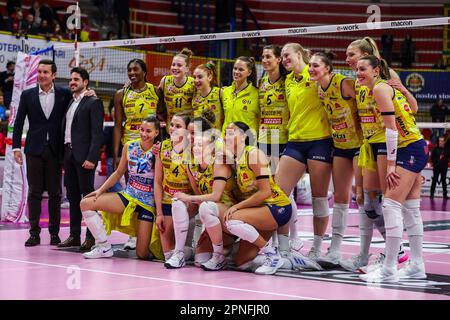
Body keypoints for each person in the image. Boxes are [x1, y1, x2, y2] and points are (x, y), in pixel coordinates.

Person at [339, 37, 411, 272]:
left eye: (352, 54)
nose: (347, 59)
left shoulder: (386, 78)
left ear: (366, 55)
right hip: (368, 145)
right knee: (369, 204)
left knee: (389, 203)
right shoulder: (357, 82)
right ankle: (386, 253)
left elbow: (410, 107)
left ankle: (395, 255)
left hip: (387, 143)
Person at [356, 55, 428, 282]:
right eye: (357, 69)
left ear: (376, 71)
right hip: (416, 146)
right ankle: (417, 265)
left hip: (409, 148)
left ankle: (388, 268)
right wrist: (404, 91)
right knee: (411, 208)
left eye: (363, 69)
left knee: (390, 205)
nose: (358, 73)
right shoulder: (383, 88)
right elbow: (413, 109)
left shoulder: (379, 89)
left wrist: (390, 165)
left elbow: (392, 130)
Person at [276, 42, 332, 262]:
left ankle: (317, 250)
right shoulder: (288, 80)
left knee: (319, 199)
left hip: (320, 141)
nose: (283, 59)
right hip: (295, 141)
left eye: (286, 55)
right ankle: (283, 250)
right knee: (279, 195)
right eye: (281, 56)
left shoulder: (316, 74)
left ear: (300, 54)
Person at [79, 116, 163, 260]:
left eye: (148, 131)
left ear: (156, 133)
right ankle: (103, 246)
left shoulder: (160, 150)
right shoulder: (129, 146)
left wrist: (160, 211)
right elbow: (118, 172)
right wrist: (100, 190)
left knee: (142, 254)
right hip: (129, 196)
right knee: (86, 203)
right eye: (141, 129)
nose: (143, 134)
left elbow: (159, 182)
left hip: (147, 204)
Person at [308, 51, 363, 267]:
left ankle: (374, 252)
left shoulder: (344, 83)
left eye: (315, 65)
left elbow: (367, 103)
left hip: (360, 145)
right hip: (340, 147)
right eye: (310, 65)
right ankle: (335, 250)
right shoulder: (317, 89)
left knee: (362, 197)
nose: (311, 69)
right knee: (340, 198)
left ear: (328, 69)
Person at [165, 110, 237, 269]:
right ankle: (180, 253)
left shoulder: (220, 155)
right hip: (209, 205)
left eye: (194, 133)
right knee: (178, 202)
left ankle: (223, 252)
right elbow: (198, 192)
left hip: (228, 208)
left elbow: (216, 196)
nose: (190, 137)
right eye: (188, 133)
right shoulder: (190, 159)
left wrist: (189, 198)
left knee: (203, 205)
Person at [12, 59, 72, 247]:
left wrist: (89, 93)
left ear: (53, 75)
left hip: (55, 150)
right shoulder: (27, 95)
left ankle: (54, 233)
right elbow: (19, 121)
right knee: (34, 192)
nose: (41, 75)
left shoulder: (64, 93)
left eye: (46, 72)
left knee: (55, 193)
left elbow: (77, 105)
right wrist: (15, 147)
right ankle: (34, 233)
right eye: (39, 72)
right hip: (34, 150)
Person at [222, 121, 293, 274]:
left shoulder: (253, 153)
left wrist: (237, 206)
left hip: (277, 207)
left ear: (243, 137)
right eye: (225, 133)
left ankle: (272, 255)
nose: (226, 136)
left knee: (231, 219)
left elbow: (265, 192)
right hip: (260, 210)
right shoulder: (235, 159)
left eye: (231, 132)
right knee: (241, 262)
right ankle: (287, 261)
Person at [113, 59, 160, 250]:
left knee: (151, 190)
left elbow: (163, 116)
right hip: (130, 149)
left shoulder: (156, 92)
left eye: (136, 69)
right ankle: (133, 234)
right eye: (129, 69)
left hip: (151, 149)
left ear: (144, 71)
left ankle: (151, 231)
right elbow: (117, 124)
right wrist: (116, 152)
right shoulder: (121, 94)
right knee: (132, 193)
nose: (132, 72)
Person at [57, 67, 104, 251]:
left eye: (76, 79)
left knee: (88, 198)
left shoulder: (94, 102)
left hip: (85, 158)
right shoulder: (71, 101)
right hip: (69, 155)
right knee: (73, 197)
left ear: (85, 82)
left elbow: (97, 133)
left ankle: (92, 237)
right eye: (71, 79)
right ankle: (74, 236)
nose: (72, 82)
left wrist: (92, 157)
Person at [154, 111, 194, 262]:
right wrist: (159, 213)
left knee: (174, 252)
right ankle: (189, 252)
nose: (173, 129)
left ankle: (189, 251)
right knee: (168, 255)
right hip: (166, 201)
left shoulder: (193, 150)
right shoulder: (162, 147)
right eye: (171, 125)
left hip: (188, 202)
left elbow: (196, 186)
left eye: (178, 126)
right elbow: (158, 182)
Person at [258, 44, 289, 173]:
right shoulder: (262, 81)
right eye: (263, 57)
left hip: (280, 136)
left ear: (278, 59)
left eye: (268, 56)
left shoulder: (287, 80)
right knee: (264, 176)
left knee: (276, 177)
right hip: (263, 136)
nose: (264, 60)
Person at [158, 48, 195, 136]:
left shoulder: (193, 83)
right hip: (170, 130)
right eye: (173, 64)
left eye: (179, 65)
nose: (175, 68)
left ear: (187, 68)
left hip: (187, 131)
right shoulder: (165, 81)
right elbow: (155, 95)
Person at [221, 56, 260, 138]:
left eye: (241, 69)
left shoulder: (257, 94)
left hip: (247, 143)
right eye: (235, 68)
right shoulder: (225, 92)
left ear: (249, 72)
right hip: (226, 141)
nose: (236, 72)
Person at [192, 61, 224, 130]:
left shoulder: (219, 93)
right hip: (199, 138)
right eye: (194, 77)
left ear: (209, 77)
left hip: (216, 138)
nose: (196, 80)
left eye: (200, 77)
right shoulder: (194, 95)